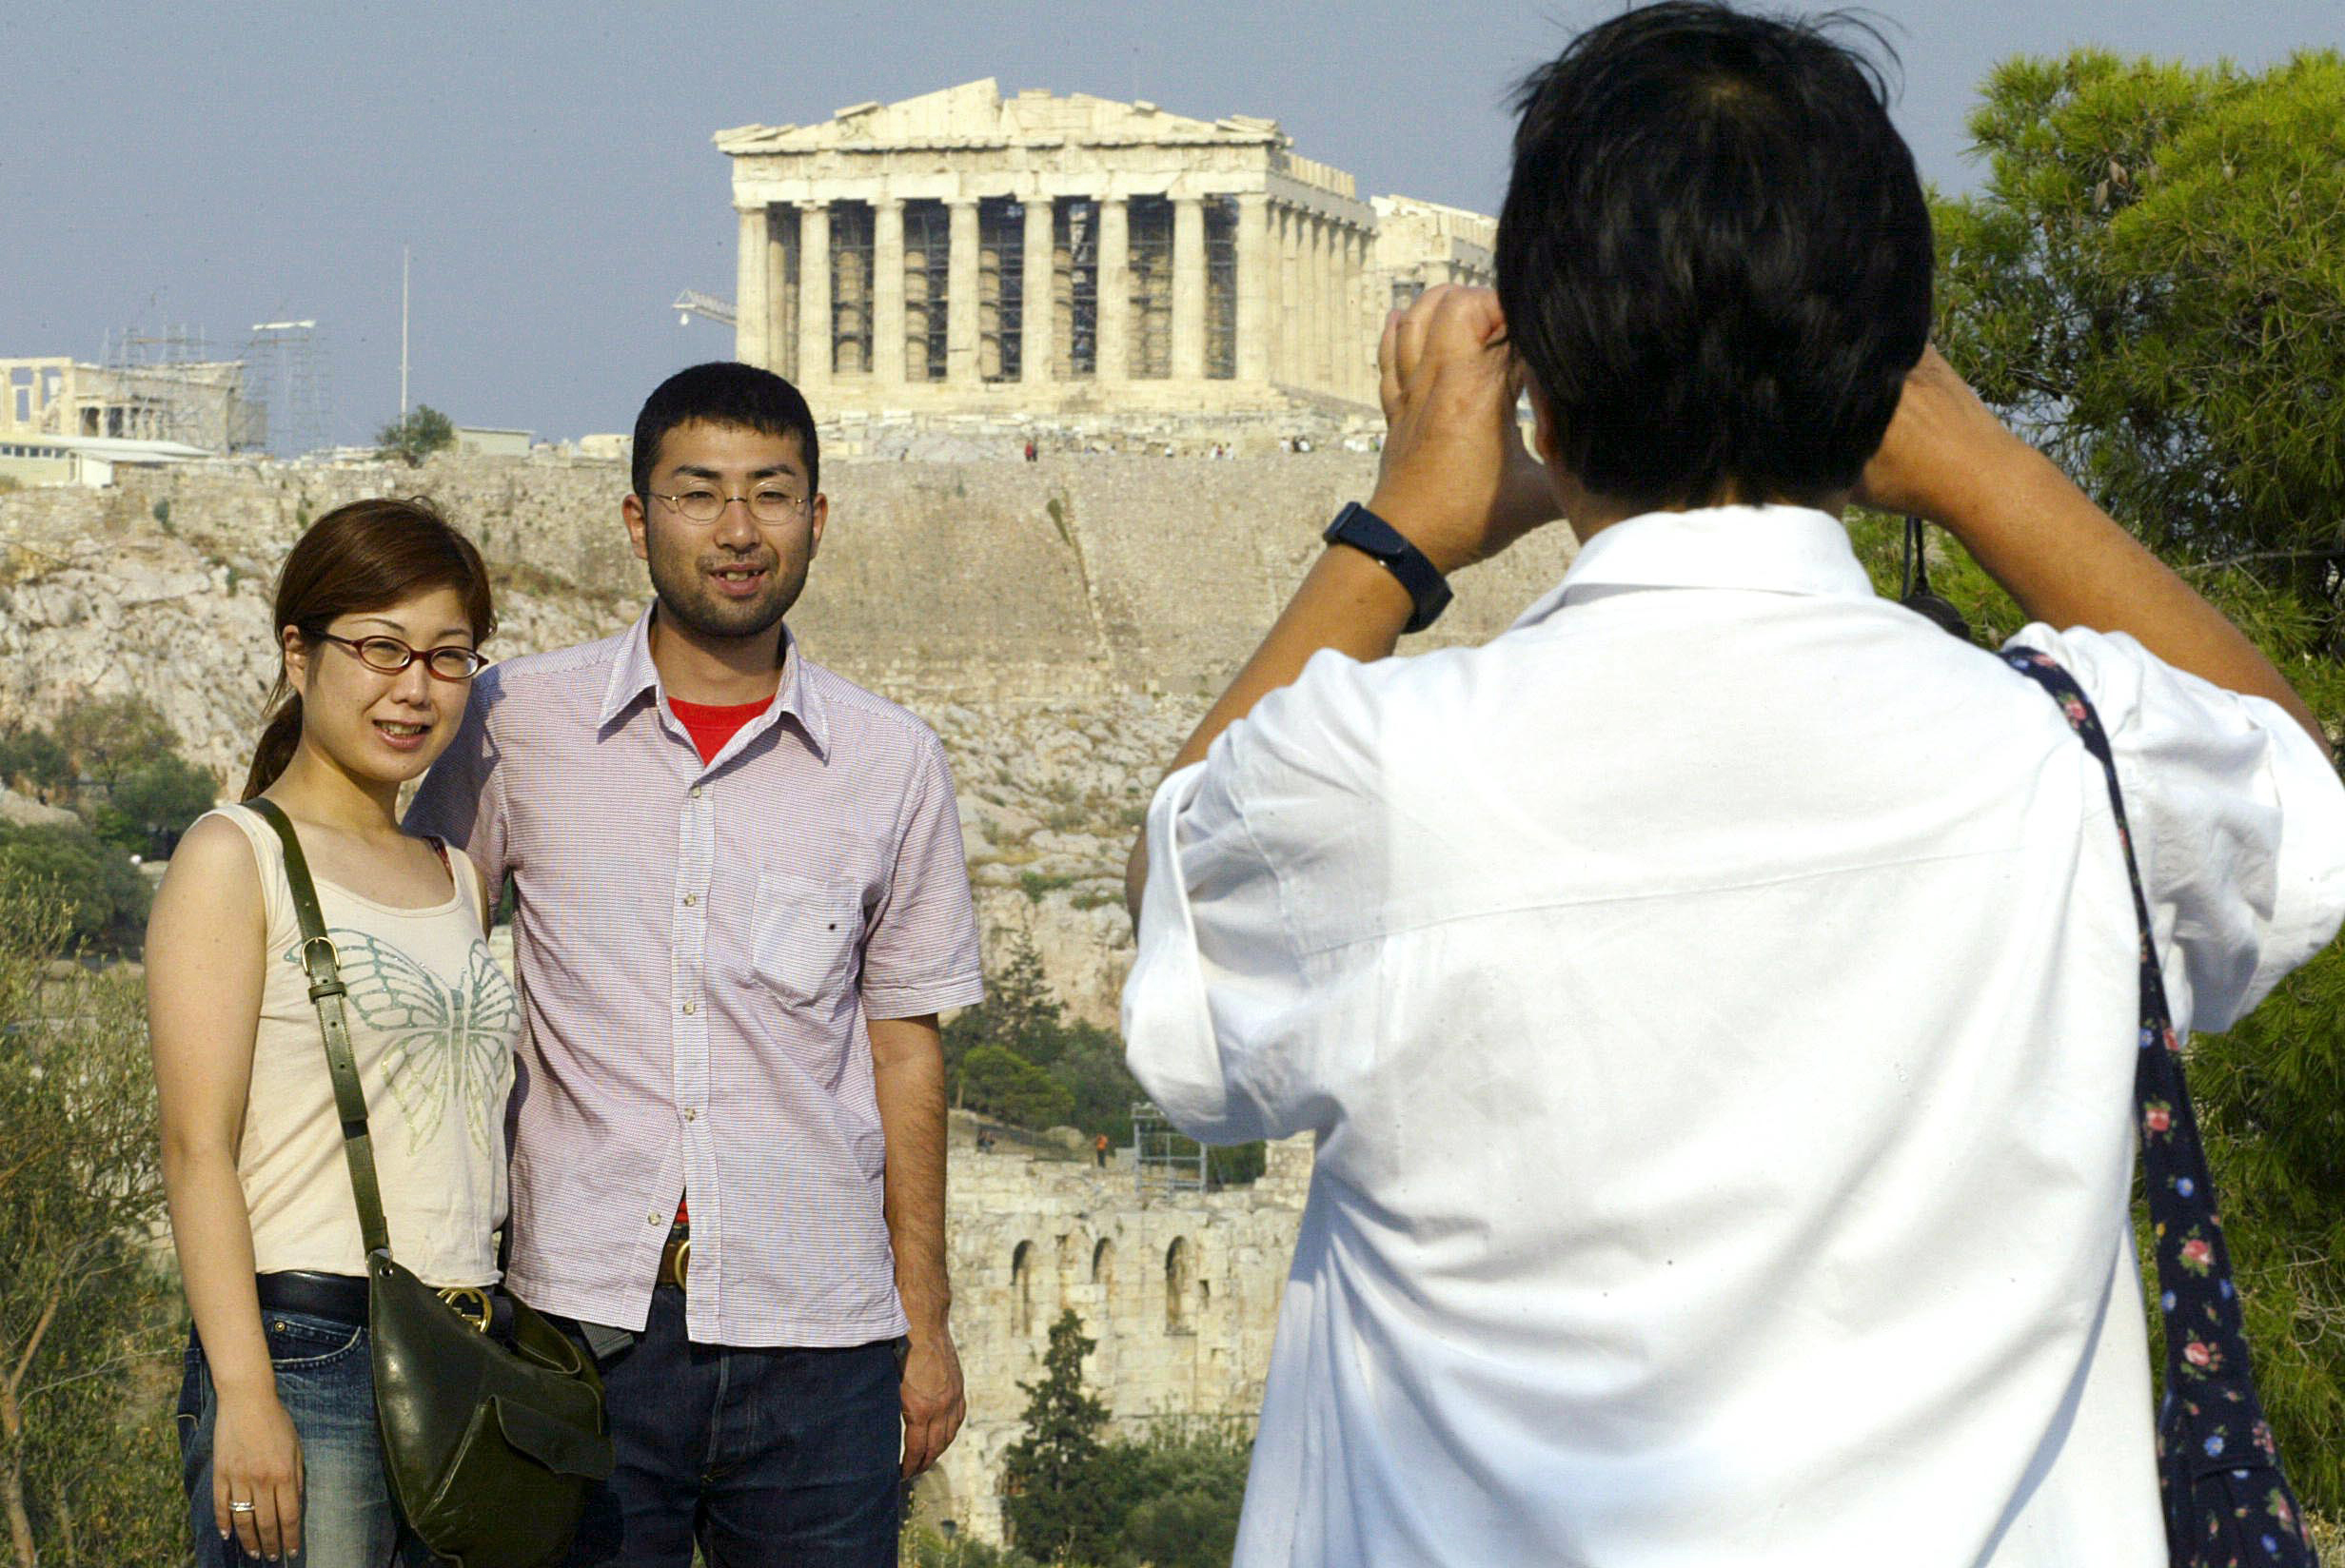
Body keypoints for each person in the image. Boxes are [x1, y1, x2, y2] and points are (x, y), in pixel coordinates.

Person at [1119, 7, 2345, 1565]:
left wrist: (1401, 527)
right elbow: (2293, 778)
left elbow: (1172, 891)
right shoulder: (2065, 767)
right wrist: (1977, 465)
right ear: (1879, 372)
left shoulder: (1378, 775)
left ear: (1537, 400)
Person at [407, 362, 984, 1568]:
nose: (737, 531)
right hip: (581, 1323)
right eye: (698, 493)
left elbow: (903, 1048)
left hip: (818, 1331)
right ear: (636, 518)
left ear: (817, 518)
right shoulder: (523, 722)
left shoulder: (890, 762)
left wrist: (923, 1320)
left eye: (770, 495)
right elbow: (419, 953)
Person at [149, 499, 510, 1568]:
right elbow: (194, 1148)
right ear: (299, 654)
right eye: (381, 649)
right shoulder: (236, 853)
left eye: (448, 658)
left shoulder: (457, 875)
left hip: (464, 1359)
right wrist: (249, 1396)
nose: (414, 687)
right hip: (308, 1351)